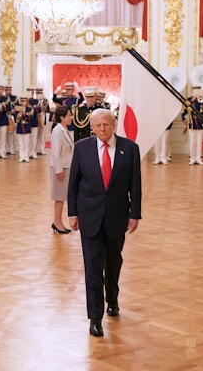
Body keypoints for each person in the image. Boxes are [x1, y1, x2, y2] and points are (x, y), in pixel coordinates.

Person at [67, 108, 142, 338]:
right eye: (98, 126)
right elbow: (74, 183)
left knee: (113, 262)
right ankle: (95, 318)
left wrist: (135, 214)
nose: (102, 129)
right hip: (89, 216)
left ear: (114, 125)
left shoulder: (129, 149)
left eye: (106, 125)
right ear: (92, 127)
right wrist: (72, 213)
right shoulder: (82, 148)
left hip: (117, 215)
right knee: (92, 267)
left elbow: (135, 184)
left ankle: (113, 297)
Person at [50, 106, 74, 234]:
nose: (71, 117)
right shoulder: (57, 131)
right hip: (60, 168)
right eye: (69, 115)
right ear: (62, 118)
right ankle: (57, 223)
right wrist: (59, 170)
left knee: (62, 196)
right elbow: (55, 153)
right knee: (59, 197)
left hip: (66, 166)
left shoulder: (64, 129)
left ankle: (58, 222)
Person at [183, 86, 203, 165]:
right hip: (192, 124)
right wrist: (192, 100)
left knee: (199, 142)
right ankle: (192, 158)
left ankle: (198, 158)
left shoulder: (201, 99)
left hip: (200, 124)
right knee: (192, 142)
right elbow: (185, 110)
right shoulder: (189, 99)